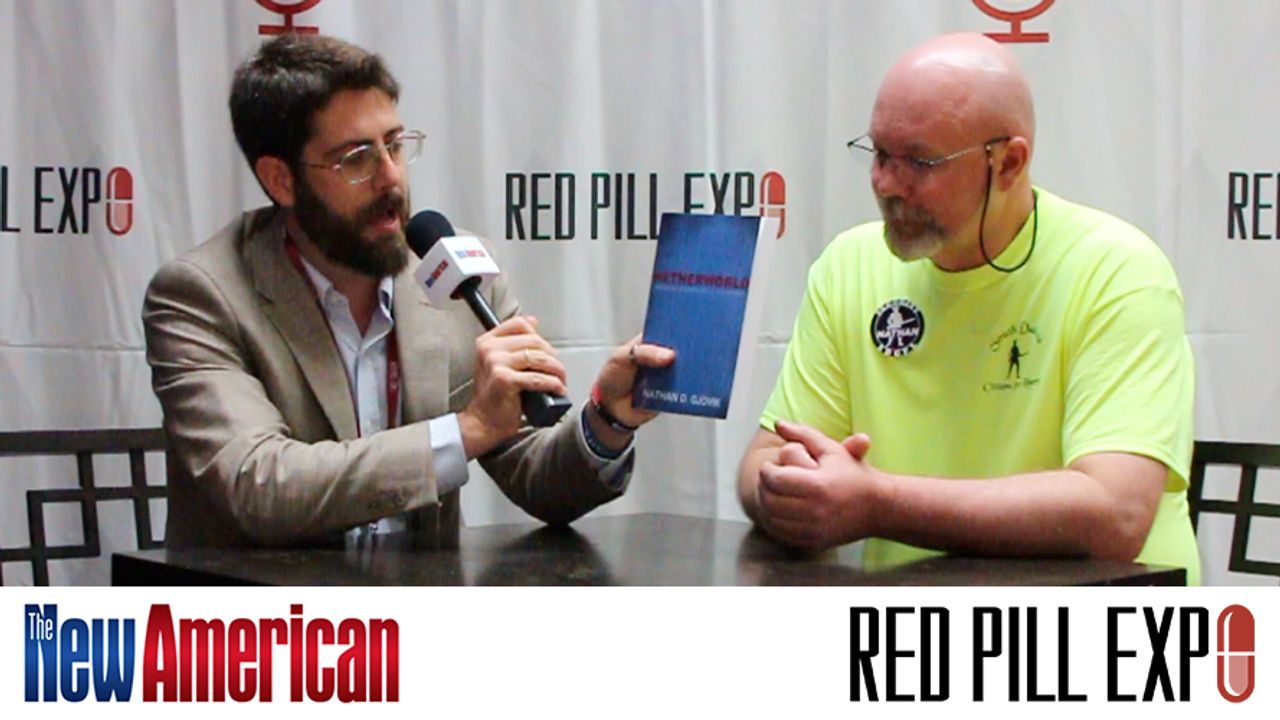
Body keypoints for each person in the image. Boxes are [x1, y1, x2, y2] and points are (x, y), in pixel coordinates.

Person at [143, 33, 673, 548]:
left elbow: (539, 480)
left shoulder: (456, 271)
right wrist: (466, 430)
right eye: (356, 159)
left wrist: (607, 417)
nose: (390, 177)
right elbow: (257, 485)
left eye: (395, 145)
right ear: (281, 180)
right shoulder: (202, 295)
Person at [737, 33, 1200, 583]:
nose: (886, 184)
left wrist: (878, 502)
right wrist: (790, 486)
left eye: (919, 161)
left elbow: (1114, 512)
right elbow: (763, 459)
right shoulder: (849, 265)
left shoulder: (1117, 271)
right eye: (879, 154)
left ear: (1009, 163)